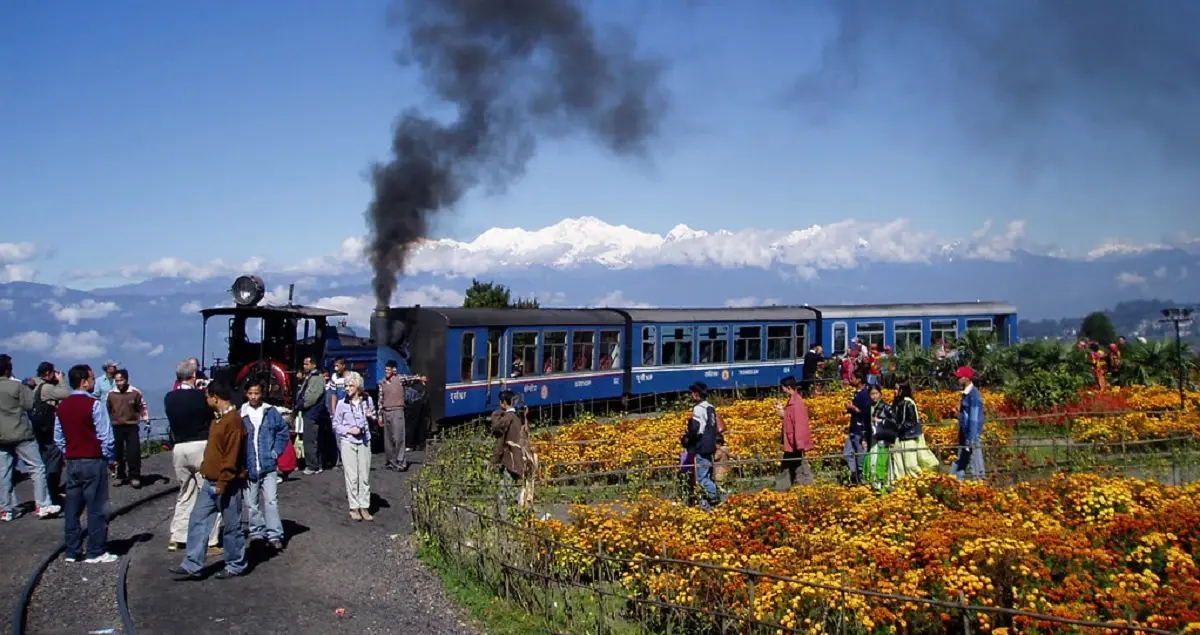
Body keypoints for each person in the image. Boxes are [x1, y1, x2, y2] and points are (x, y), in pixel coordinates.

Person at [170, 380, 249, 580]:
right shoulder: (217, 421)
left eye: (207, 396)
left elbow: (231, 456)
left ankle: (235, 564)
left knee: (232, 526)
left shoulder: (233, 422)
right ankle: (192, 564)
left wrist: (223, 482)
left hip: (226, 484)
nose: (205, 400)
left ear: (215, 397)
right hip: (210, 481)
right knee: (198, 520)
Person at [53, 364, 116, 562]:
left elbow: (58, 437)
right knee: (96, 507)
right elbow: (106, 436)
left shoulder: (62, 407)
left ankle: (72, 550)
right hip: (93, 460)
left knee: (72, 508)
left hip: (72, 461)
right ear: (84, 382)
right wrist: (109, 457)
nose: (94, 381)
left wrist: (69, 452)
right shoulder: (94, 404)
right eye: (91, 378)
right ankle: (96, 550)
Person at [163, 360, 221, 554]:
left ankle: (177, 536)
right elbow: (212, 414)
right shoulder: (200, 397)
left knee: (185, 492)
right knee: (210, 491)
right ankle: (211, 539)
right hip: (200, 445)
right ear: (194, 376)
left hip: (179, 448)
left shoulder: (169, 398)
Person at [1, 354, 62, 521]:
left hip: (1, 436)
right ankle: (42, 504)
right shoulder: (16, 386)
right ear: (8, 369)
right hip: (21, 433)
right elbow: (30, 405)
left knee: (4, 472)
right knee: (37, 468)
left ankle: (6, 509)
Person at [240, 382, 288, 550]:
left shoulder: (271, 412)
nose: (254, 396)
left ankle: (274, 534)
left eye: (257, 393)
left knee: (271, 501)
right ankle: (257, 533)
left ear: (262, 394)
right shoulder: (241, 414)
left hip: (268, 464)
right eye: (251, 393)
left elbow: (283, 431)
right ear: (247, 394)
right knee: (252, 503)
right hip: (250, 465)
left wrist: (275, 452)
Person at [332, 372, 375, 521]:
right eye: (346, 386)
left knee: (364, 476)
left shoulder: (367, 400)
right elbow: (336, 424)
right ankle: (354, 507)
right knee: (352, 476)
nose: (347, 388)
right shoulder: (341, 404)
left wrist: (371, 416)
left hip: (364, 441)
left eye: (350, 385)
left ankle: (364, 506)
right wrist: (349, 430)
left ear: (358, 387)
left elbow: (374, 417)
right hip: (348, 442)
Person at [377, 360, 427, 472]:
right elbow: (380, 400)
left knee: (399, 437)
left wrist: (420, 378)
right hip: (386, 411)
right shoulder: (382, 383)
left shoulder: (400, 379)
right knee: (388, 439)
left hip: (397, 410)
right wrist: (379, 415)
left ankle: (400, 461)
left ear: (394, 370)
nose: (386, 372)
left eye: (388, 370)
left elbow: (411, 378)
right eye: (385, 370)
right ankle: (390, 461)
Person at [489, 390, 534, 515]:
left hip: (509, 459)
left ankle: (506, 516)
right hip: (517, 458)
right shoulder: (517, 417)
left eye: (500, 402)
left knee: (505, 490)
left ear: (504, 403)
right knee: (511, 487)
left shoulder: (508, 418)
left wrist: (494, 460)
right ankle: (513, 513)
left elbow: (498, 434)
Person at [31, 362, 70, 502]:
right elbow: (65, 394)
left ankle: (47, 492)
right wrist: (61, 380)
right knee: (54, 460)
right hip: (49, 430)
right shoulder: (46, 388)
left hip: (39, 430)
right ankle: (51, 494)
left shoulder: (35, 387)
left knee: (45, 460)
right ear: (48, 373)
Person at [105, 369, 149, 488]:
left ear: (126, 379)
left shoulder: (135, 392)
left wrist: (146, 419)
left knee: (133, 451)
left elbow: (142, 406)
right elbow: (107, 409)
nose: (119, 383)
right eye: (117, 381)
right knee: (118, 452)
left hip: (131, 425)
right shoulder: (111, 394)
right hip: (116, 425)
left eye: (121, 380)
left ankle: (134, 475)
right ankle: (120, 475)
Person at [682, 382, 721, 510]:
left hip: (702, 446)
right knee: (707, 474)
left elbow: (697, 429)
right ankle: (706, 505)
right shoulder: (711, 407)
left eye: (692, 393)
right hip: (711, 445)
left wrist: (688, 436)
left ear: (696, 394)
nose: (691, 395)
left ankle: (719, 494)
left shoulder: (698, 409)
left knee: (702, 478)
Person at [890, 381, 937, 479]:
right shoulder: (898, 401)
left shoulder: (908, 403)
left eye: (897, 389)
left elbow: (912, 421)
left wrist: (898, 427)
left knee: (910, 464)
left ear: (902, 390)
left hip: (908, 437)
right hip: (899, 437)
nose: (894, 391)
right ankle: (902, 484)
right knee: (899, 464)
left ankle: (922, 480)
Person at [775, 376, 814, 489]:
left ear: (788, 387)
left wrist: (800, 443)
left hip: (795, 441)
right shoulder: (793, 401)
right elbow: (790, 417)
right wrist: (783, 410)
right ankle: (788, 486)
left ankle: (801, 485)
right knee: (791, 464)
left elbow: (800, 423)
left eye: (783, 387)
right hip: (792, 440)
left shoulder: (797, 403)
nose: (782, 390)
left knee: (796, 464)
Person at [952, 366, 986, 481]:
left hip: (971, 435)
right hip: (964, 433)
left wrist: (971, 438)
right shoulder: (966, 394)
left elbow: (974, 419)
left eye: (959, 377)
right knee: (962, 460)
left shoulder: (974, 396)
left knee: (975, 463)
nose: (957, 379)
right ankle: (955, 482)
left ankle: (979, 486)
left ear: (967, 378)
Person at [295, 357, 327, 474]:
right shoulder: (309, 377)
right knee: (309, 439)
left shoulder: (317, 379)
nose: (304, 366)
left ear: (313, 365)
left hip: (312, 412)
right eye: (304, 364)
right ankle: (314, 464)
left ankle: (313, 465)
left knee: (310, 440)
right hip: (308, 412)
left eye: (306, 364)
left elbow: (312, 396)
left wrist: (301, 404)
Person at [843, 372, 871, 485]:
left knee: (860, 457)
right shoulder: (857, 393)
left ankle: (862, 480)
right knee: (847, 453)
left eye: (853, 378)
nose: (850, 380)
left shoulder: (865, 394)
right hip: (853, 429)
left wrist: (852, 408)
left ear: (859, 380)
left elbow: (864, 412)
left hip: (860, 430)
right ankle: (855, 476)